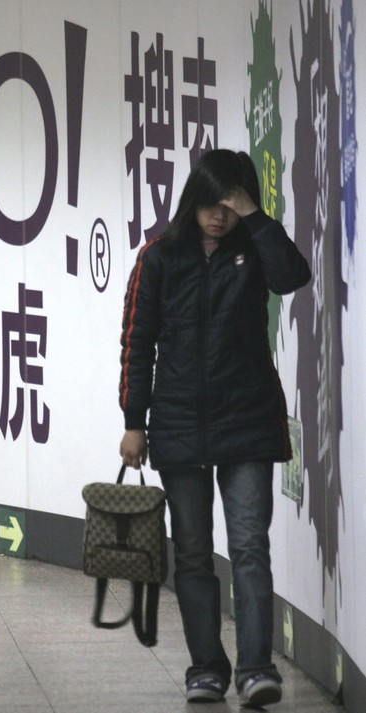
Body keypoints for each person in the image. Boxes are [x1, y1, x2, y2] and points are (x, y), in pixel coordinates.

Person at [118, 149, 311, 707]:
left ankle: (256, 669)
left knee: (249, 546)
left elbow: (292, 276)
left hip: (246, 417)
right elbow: (137, 343)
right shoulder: (159, 257)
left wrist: (255, 214)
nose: (218, 216)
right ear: (192, 199)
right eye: (211, 203)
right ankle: (206, 667)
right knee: (195, 554)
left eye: (230, 204)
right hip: (177, 423)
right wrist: (135, 423)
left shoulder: (254, 248)